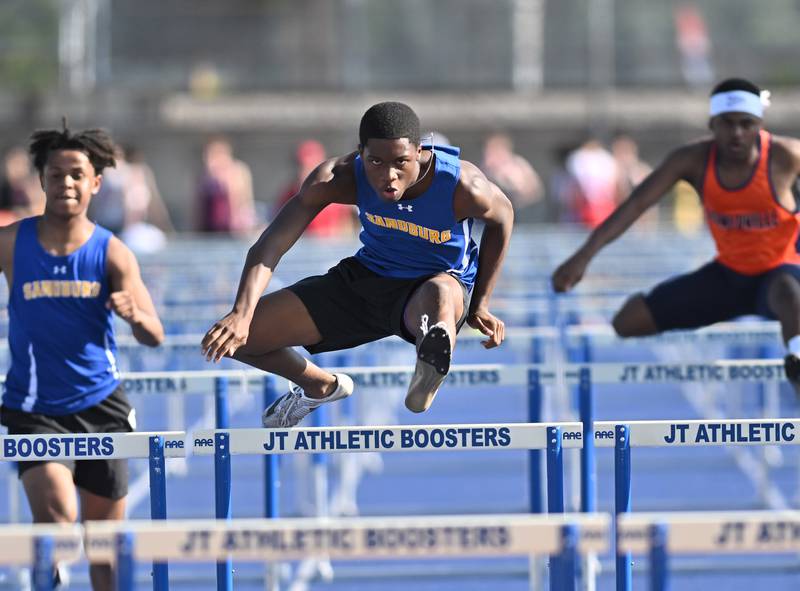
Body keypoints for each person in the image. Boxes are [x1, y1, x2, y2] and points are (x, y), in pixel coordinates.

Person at [201, 101, 513, 426]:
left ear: (420, 152)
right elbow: (271, 244)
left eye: (401, 162)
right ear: (359, 153)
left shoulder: (462, 186)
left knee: (439, 295)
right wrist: (240, 313)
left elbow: (503, 219)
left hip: (434, 283)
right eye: (375, 161)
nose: (388, 176)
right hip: (366, 279)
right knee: (238, 337)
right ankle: (317, 385)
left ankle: (431, 356)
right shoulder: (340, 177)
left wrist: (480, 304)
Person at [551, 78, 800, 391]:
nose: (737, 133)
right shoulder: (692, 159)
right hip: (729, 276)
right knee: (628, 321)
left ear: (759, 124)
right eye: (727, 124)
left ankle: (797, 361)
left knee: (790, 294)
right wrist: (582, 256)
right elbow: (637, 203)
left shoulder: (786, 156)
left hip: (782, 272)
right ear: (712, 124)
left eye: (746, 124)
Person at [0, 125, 164, 590]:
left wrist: (134, 315)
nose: (66, 184)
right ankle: (46, 571)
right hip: (34, 408)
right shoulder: (12, 242)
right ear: (42, 181)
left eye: (77, 174)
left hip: (101, 406)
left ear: (95, 183)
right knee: (56, 519)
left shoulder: (112, 253)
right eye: (56, 174)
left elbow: (154, 334)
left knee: (104, 554)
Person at [273, 139, 357, 237]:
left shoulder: (337, 194)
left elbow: (349, 230)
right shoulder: (289, 194)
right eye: (301, 167)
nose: (303, 174)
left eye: (310, 168)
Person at [196, 137, 256, 235]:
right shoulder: (204, 176)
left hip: (233, 229)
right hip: (210, 228)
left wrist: (237, 228)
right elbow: (198, 206)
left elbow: (238, 200)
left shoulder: (237, 171)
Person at [481, 132, 544, 223]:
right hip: (501, 213)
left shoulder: (518, 163)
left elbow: (535, 189)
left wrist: (512, 184)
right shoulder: (487, 169)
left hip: (524, 210)